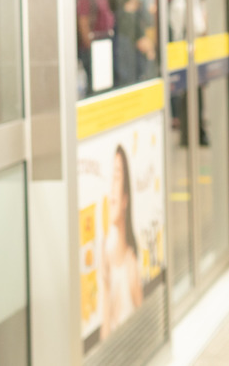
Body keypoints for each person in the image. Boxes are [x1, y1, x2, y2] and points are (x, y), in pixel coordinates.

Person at [101, 145, 143, 339]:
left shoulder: (130, 263)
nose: (110, 194)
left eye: (116, 178)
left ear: (126, 197)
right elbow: (105, 331)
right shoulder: (106, 255)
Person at [77, 0, 114, 96]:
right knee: (95, 87)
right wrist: (90, 47)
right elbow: (83, 23)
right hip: (93, 48)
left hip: (104, 45)